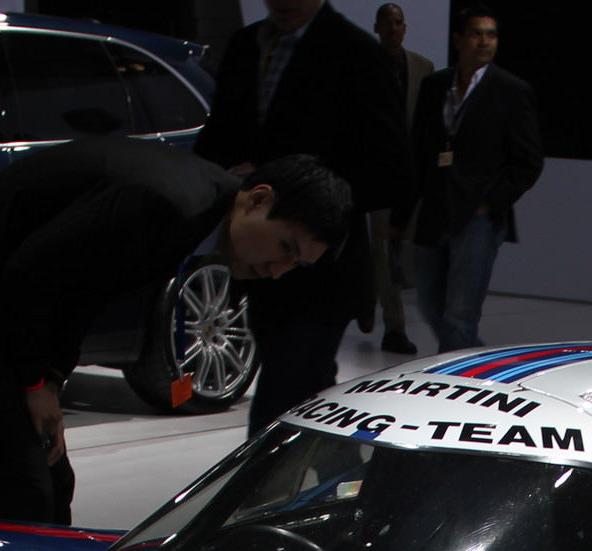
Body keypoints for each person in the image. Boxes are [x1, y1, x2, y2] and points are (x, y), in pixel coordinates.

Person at [0, 144, 345, 522]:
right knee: (19, 488)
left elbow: (81, 287)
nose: (278, 271)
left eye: (296, 265)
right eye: (285, 247)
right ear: (257, 199)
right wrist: (33, 382)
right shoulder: (170, 205)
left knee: (49, 479)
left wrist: (50, 378)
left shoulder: (196, 208)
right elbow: (31, 272)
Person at [197, 0, 408, 432]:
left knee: (286, 397)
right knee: (297, 395)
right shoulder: (245, 45)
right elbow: (218, 137)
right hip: (257, 259)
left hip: (319, 271)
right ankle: (309, 486)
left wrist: (299, 189)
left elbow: (392, 172)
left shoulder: (356, 53)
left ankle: (268, 492)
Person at [406, 7, 542, 353]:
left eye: (491, 34)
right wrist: (405, 213)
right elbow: (420, 150)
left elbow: (529, 161)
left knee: (459, 315)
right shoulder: (435, 85)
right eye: (476, 33)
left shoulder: (511, 90)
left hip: (477, 217)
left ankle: (453, 383)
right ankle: (479, 367)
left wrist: (489, 204)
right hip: (435, 210)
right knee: (429, 303)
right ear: (458, 39)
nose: (484, 41)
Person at [369, 3, 431, 357]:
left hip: (413, 175)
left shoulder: (422, 68)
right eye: (387, 23)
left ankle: (371, 304)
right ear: (377, 27)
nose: (393, 29)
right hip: (377, 175)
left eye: (398, 23)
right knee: (382, 250)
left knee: (410, 251)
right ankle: (394, 327)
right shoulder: (363, 66)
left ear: (405, 28)